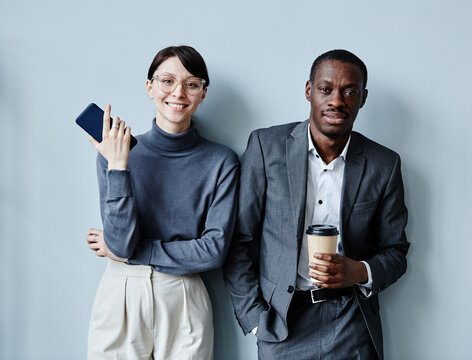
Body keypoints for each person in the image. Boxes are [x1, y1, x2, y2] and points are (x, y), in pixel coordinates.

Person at [223, 49, 409, 359]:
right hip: (282, 322)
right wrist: (255, 319)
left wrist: (359, 271)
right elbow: (237, 240)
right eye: (326, 89)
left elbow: (396, 251)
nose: (337, 100)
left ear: (362, 98)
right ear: (309, 91)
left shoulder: (383, 164)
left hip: (350, 322)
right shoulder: (266, 148)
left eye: (349, 91)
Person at [85, 45, 239, 359]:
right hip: (121, 293)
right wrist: (118, 167)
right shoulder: (114, 153)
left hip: (183, 295)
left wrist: (129, 252)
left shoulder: (222, 162)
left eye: (191, 84)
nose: (178, 92)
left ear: (203, 93)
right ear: (150, 87)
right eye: (167, 81)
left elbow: (213, 251)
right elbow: (121, 242)